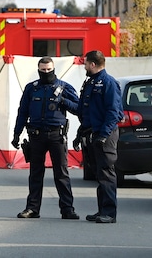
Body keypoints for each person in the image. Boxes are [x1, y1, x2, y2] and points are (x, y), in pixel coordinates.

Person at [12, 57, 80, 220]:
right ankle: (32, 209)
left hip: (57, 135)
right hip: (36, 135)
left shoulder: (64, 87)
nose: (46, 73)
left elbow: (79, 108)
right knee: (35, 173)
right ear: (38, 70)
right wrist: (17, 133)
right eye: (43, 70)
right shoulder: (32, 88)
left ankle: (67, 209)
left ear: (54, 69)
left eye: (49, 70)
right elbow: (23, 112)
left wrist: (63, 101)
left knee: (61, 173)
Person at [78, 50, 123, 224]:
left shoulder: (108, 83)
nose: (84, 67)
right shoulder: (90, 82)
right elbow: (86, 110)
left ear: (93, 64)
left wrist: (104, 134)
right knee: (98, 173)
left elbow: (114, 112)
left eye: (86, 64)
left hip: (105, 134)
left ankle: (109, 213)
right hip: (92, 133)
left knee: (106, 173)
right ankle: (101, 209)